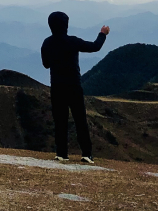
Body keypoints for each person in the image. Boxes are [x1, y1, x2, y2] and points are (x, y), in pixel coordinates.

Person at [40, 11, 109, 164]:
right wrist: (103, 34)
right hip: (73, 86)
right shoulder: (73, 41)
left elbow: (46, 65)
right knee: (80, 120)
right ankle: (86, 154)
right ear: (66, 25)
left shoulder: (47, 43)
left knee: (60, 120)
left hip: (56, 87)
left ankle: (62, 153)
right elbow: (95, 47)